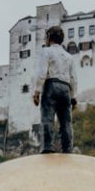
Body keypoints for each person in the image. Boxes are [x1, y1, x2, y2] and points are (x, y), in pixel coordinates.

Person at [32, 25, 77, 154]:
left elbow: (42, 73)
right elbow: (74, 78)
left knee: (47, 118)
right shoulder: (69, 57)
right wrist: (73, 97)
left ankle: (47, 147)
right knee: (66, 122)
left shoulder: (46, 52)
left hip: (51, 85)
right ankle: (67, 149)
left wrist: (37, 92)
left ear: (49, 37)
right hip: (66, 88)